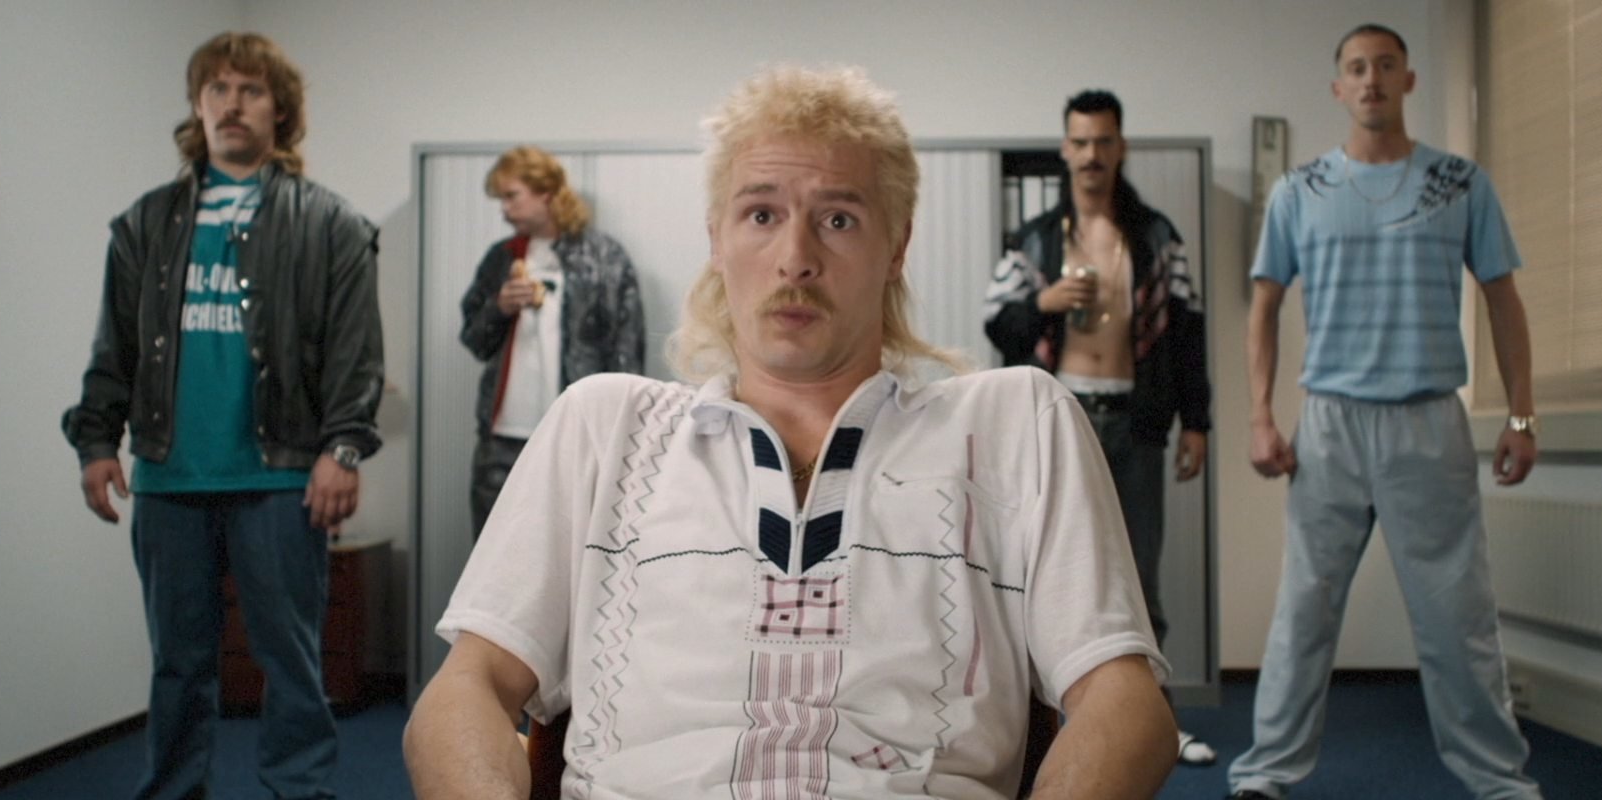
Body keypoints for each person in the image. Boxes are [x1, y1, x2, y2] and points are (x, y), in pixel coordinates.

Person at [406, 65, 1177, 799]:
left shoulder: (1014, 424)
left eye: (838, 219)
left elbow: (1127, 707)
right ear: (717, 239)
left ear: (897, 246)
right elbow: (466, 689)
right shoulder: (604, 427)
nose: (796, 259)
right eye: (762, 215)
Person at [61, 31, 382, 800]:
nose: (232, 104)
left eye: (251, 90)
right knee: (178, 664)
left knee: (290, 661)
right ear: (198, 106)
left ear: (280, 111)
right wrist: (97, 441)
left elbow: (356, 353)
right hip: (170, 477)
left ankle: (298, 791)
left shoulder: (331, 224)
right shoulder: (144, 224)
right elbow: (116, 344)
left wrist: (342, 448)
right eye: (218, 90)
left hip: (281, 477)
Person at [1226, 23, 1541, 800]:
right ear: (1339, 88)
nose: (1371, 79)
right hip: (1329, 425)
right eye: (1357, 68)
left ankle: (1499, 779)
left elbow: (1503, 300)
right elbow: (1263, 306)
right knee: (1304, 612)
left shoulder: (1460, 183)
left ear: (1408, 81)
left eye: (1386, 66)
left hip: (1427, 421)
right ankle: (1266, 773)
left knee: (1457, 616)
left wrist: (1522, 415)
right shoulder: (1299, 190)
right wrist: (1261, 416)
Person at [983, 88, 1215, 766]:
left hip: (1134, 420)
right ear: (1065, 147)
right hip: (1058, 420)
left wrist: (1197, 422)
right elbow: (997, 322)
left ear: (1121, 147)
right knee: (1037, 578)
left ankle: (1156, 727)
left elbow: (1188, 333)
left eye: (1103, 141)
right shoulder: (1035, 238)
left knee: (1139, 578)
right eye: (1080, 141)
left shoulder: (1156, 236)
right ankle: (1040, 732)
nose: (1091, 154)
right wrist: (1046, 301)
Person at [458, 146, 645, 538]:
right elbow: (474, 341)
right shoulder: (500, 258)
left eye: (512, 196)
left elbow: (627, 351)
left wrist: (620, 434)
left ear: (545, 192)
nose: (504, 209)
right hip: (503, 438)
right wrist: (499, 308)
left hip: (578, 435)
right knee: (494, 551)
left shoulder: (605, 257)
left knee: (575, 551)